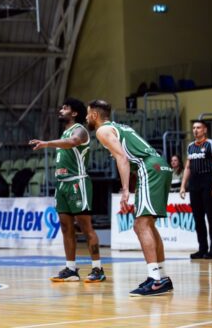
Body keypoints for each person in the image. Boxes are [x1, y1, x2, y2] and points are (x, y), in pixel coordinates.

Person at [87, 99, 173, 296]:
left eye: (87, 113)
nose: (86, 117)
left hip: (149, 168)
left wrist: (126, 190)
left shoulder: (103, 131)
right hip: (159, 166)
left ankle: (155, 280)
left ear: (94, 115)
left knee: (141, 225)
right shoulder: (119, 127)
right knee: (147, 224)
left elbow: (122, 158)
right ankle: (161, 276)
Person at [30, 98, 105, 283]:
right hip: (62, 184)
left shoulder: (80, 130)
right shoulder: (64, 132)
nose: (61, 110)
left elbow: (73, 142)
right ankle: (71, 269)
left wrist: (47, 143)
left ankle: (98, 268)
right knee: (65, 228)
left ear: (74, 113)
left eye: (65, 108)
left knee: (86, 228)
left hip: (77, 182)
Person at [179, 121, 212, 259]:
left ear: (205, 130)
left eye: (198, 127)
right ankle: (202, 249)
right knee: (198, 217)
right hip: (194, 182)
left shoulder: (211, 144)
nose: (195, 130)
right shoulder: (190, 146)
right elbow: (188, 167)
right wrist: (183, 186)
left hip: (208, 180)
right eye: (194, 128)